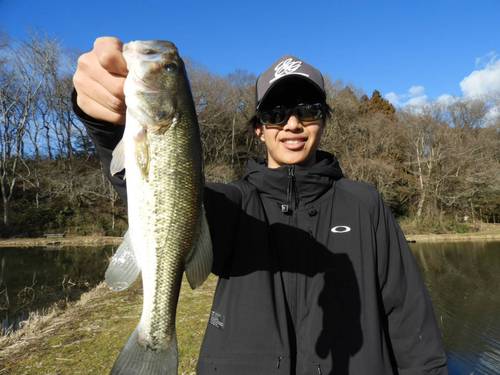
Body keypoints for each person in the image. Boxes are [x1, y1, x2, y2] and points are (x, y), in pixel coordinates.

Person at [73, 37, 449, 375]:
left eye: (308, 109)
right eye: (275, 113)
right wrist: (106, 124)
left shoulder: (366, 203)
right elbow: (164, 191)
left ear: (323, 121)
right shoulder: (236, 204)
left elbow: (408, 313)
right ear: (258, 128)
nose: (291, 124)